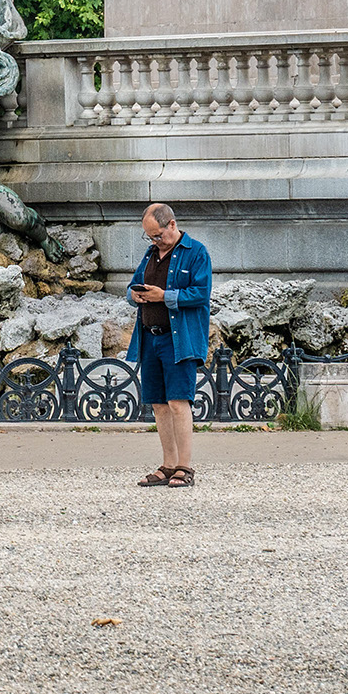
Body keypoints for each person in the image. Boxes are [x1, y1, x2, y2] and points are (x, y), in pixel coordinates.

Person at [127, 202, 212, 488]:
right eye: (150, 237)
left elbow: (201, 294)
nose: (154, 241)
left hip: (179, 339)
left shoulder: (196, 252)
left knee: (178, 401)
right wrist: (134, 295)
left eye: (157, 235)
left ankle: (184, 468)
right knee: (159, 404)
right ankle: (167, 465)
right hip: (150, 336)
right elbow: (134, 284)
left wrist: (165, 296)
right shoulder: (152, 254)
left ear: (172, 225)